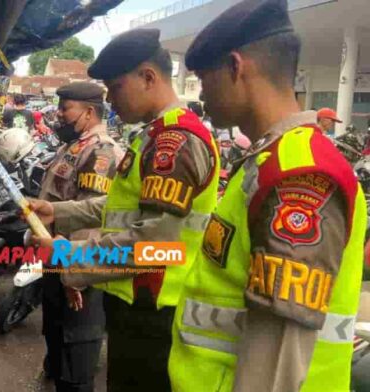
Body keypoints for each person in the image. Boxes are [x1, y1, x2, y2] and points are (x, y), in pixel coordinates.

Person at [168, 1, 367, 391]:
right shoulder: (268, 159)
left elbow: (275, 365)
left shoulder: (298, 175)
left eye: (205, 80)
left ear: (236, 67)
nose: (202, 95)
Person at [28, 29, 220, 392]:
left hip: (155, 310)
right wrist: (58, 212)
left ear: (148, 77)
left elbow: (155, 243)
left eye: (115, 88)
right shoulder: (150, 135)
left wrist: (70, 255)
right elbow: (122, 207)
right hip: (135, 303)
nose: (110, 101)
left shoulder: (174, 142)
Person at [38, 81, 124, 392]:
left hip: (76, 272)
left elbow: (91, 221)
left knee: (75, 364)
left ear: (88, 112)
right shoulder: (72, 146)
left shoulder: (101, 153)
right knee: (57, 346)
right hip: (56, 263)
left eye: (65, 109)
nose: (59, 115)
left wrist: (74, 277)